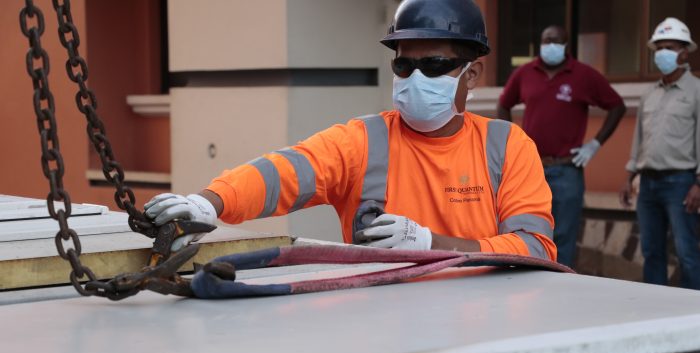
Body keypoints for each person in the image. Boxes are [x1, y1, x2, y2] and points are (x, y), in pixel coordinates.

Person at [145, 0, 557, 261]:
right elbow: (284, 172)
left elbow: (535, 248)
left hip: (482, 325)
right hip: (383, 325)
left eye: (433, 65)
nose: (415, 77)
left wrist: (429, 243)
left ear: (473, 74)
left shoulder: (506, 145)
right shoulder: (364, 142)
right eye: (403, 65)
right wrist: (208, 203)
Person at [497, 25, 626, 268]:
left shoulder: (583, 75)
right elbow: (504, 104)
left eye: (556, 41)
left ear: (566, 45)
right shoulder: (525, 72)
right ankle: (529, 283)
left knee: (564, 237)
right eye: (546, 40)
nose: (550, 45)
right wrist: (510, 140)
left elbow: (617, 106)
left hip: (567, 169)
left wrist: (595, 144)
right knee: (527, 231)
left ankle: (560, 285)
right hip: (531, 168)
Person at [620, 17, 700, 289]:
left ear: (684, 52)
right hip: (648, 184)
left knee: (687, 253)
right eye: (659, 48)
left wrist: (698, 183)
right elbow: (640, 138)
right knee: (651, 252)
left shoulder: (696, 90)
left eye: (670, 47)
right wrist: (629, 176)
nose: (663, 53)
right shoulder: (649, 94)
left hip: (681, 183)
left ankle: (693, 309)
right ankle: (656, 308)